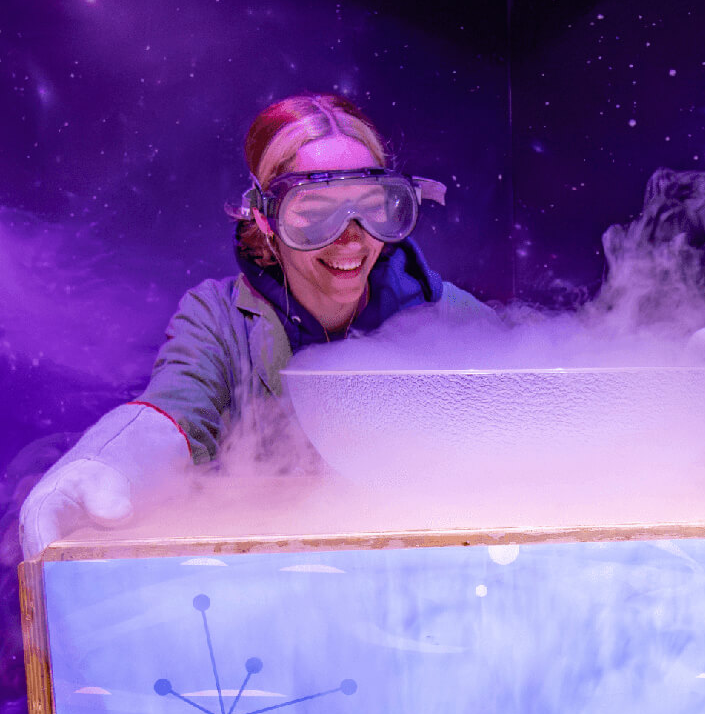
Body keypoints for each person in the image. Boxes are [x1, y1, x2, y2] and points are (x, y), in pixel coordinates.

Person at [19, 94, 492, 558]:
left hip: (419, 570)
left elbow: (531, 419)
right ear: (266, 220)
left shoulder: (445, 315)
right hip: (272, 579)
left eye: (370, 205)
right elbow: (175, 410)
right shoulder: (218, 319)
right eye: (314, 211)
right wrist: (108, 464)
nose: (351, 237)